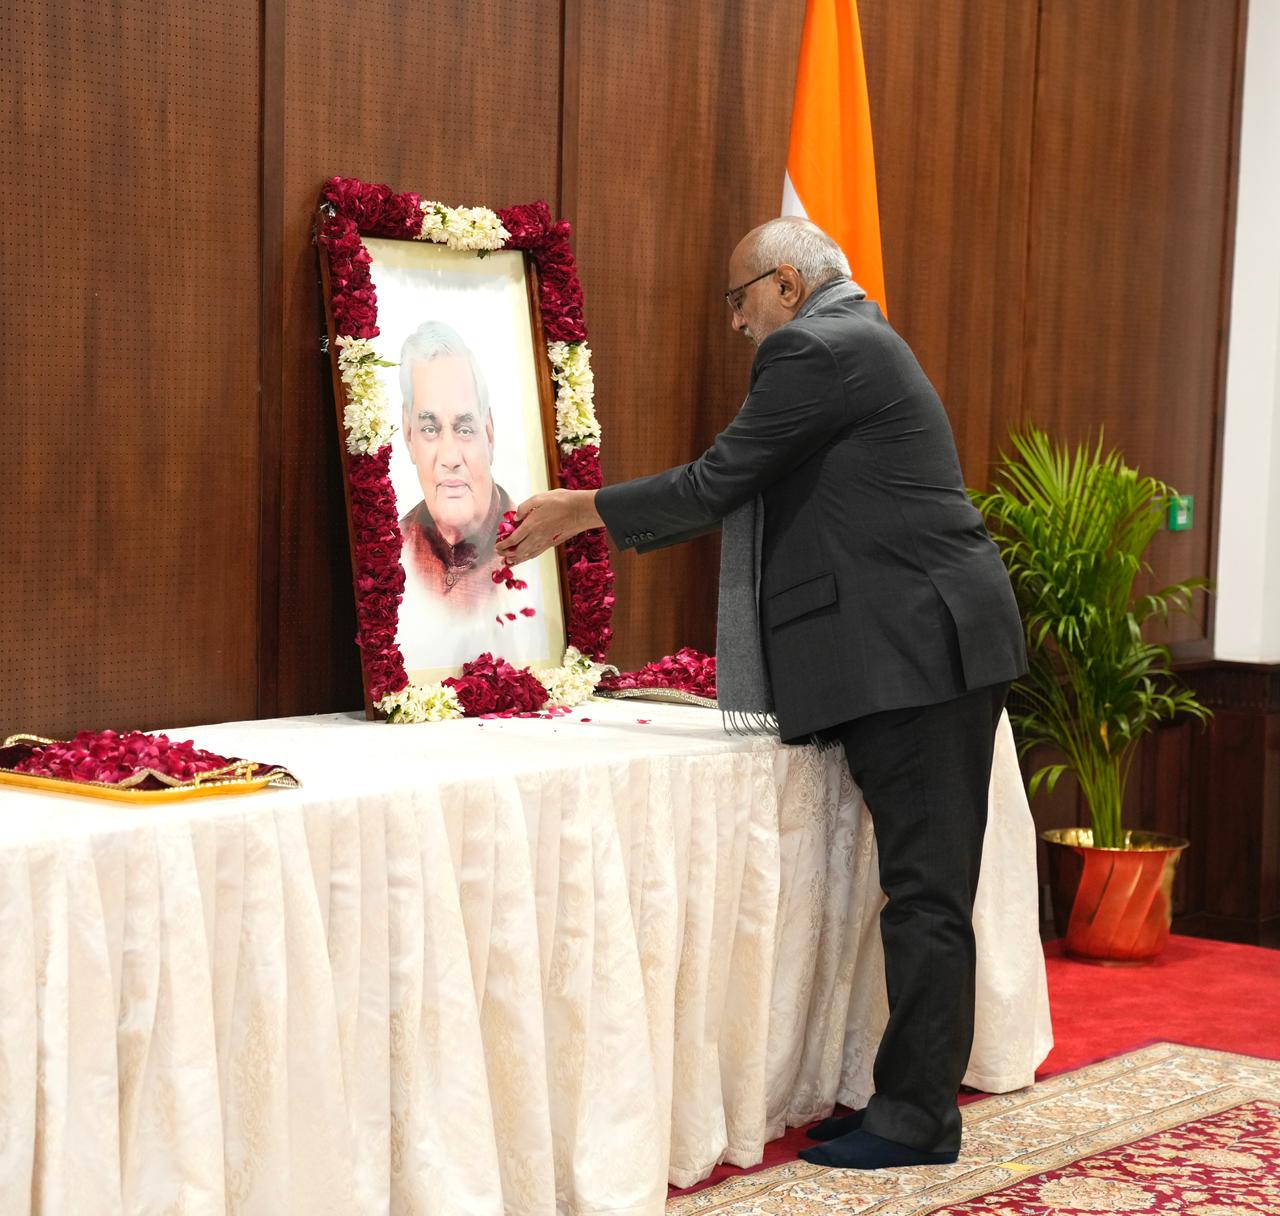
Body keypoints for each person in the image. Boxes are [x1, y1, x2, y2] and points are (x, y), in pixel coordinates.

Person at [497, 217, 1028, 1171]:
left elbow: (716, 484)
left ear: (786, 284)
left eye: (739, 301)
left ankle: (917, 1121)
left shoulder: (820, 349)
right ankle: (900, 1099)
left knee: (927, 898)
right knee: (921, 894)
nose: (737, 324)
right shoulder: (853, 337)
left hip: (919, 655)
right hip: (920, 649)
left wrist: (581, 511)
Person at [398, 320, 512, 608]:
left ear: (488, 433)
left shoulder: (532, 540)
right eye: (429, 429)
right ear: (409, 436)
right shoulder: (391, 548)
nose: (450, 458)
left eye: (464, 429)